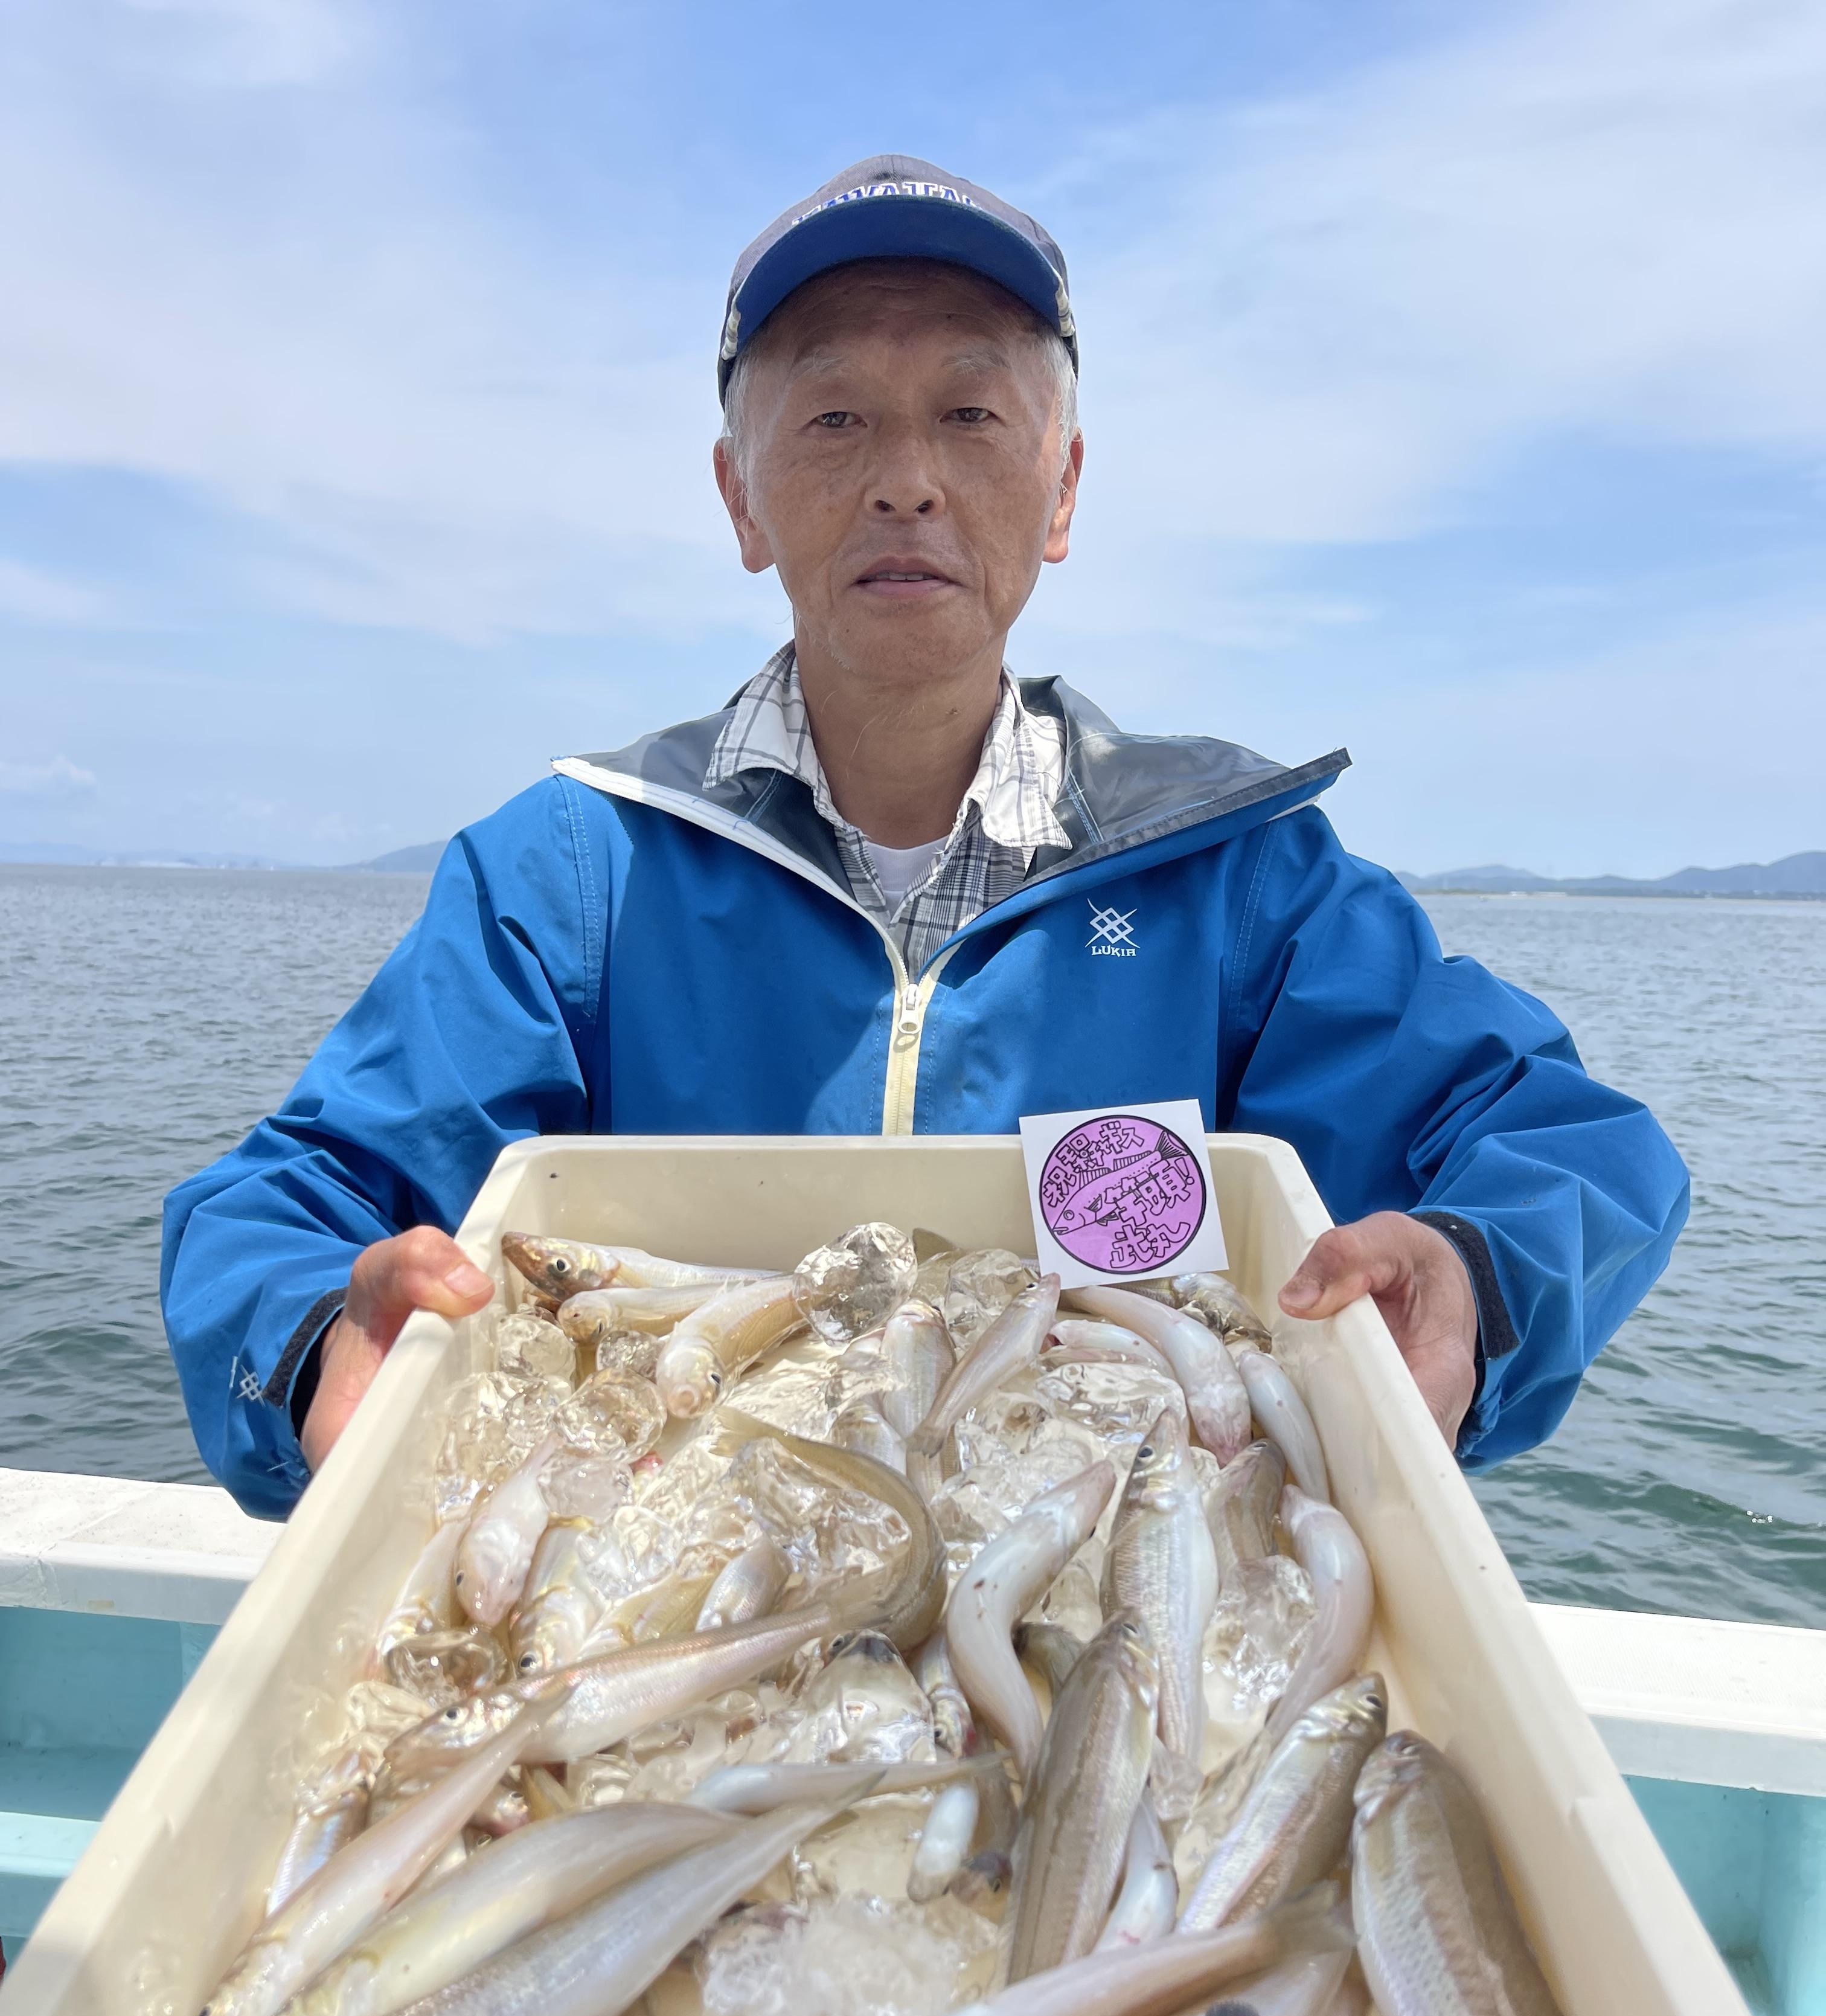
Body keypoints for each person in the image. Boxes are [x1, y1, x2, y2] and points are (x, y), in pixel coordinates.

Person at [161, 155, 1688, 1521]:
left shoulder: (1235, 879)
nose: (906, 478)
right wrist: (307, 1345)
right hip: (676, 1561)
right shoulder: (572, 880)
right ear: (740, 497)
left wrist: (1479, 1275)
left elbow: (1571, 1141)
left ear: (1062, 485)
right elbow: (278, 1211)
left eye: (971, 413)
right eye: (834, 418)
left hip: (1101, 1576)